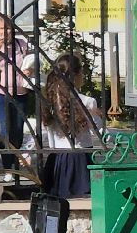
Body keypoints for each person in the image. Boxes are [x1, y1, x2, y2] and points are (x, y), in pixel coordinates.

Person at [26, 52, 101, 199]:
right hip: (81, 159)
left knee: (58, 203)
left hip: (57, 160)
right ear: (77, 75)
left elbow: (39, 131)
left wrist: (26, 151)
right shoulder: (87, 102)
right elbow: (99, 132)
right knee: (83, 199)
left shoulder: (49, 101)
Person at [0, 15, 35, 160]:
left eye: (8, 28)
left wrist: (29, 70)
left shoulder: (21, 44)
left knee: (18, 129)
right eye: (2, 28)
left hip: (20, 93)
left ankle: (15, 164)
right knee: (5, 128)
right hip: (0, 93)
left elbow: (31, 61)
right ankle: (7, 167)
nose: (5, 32)